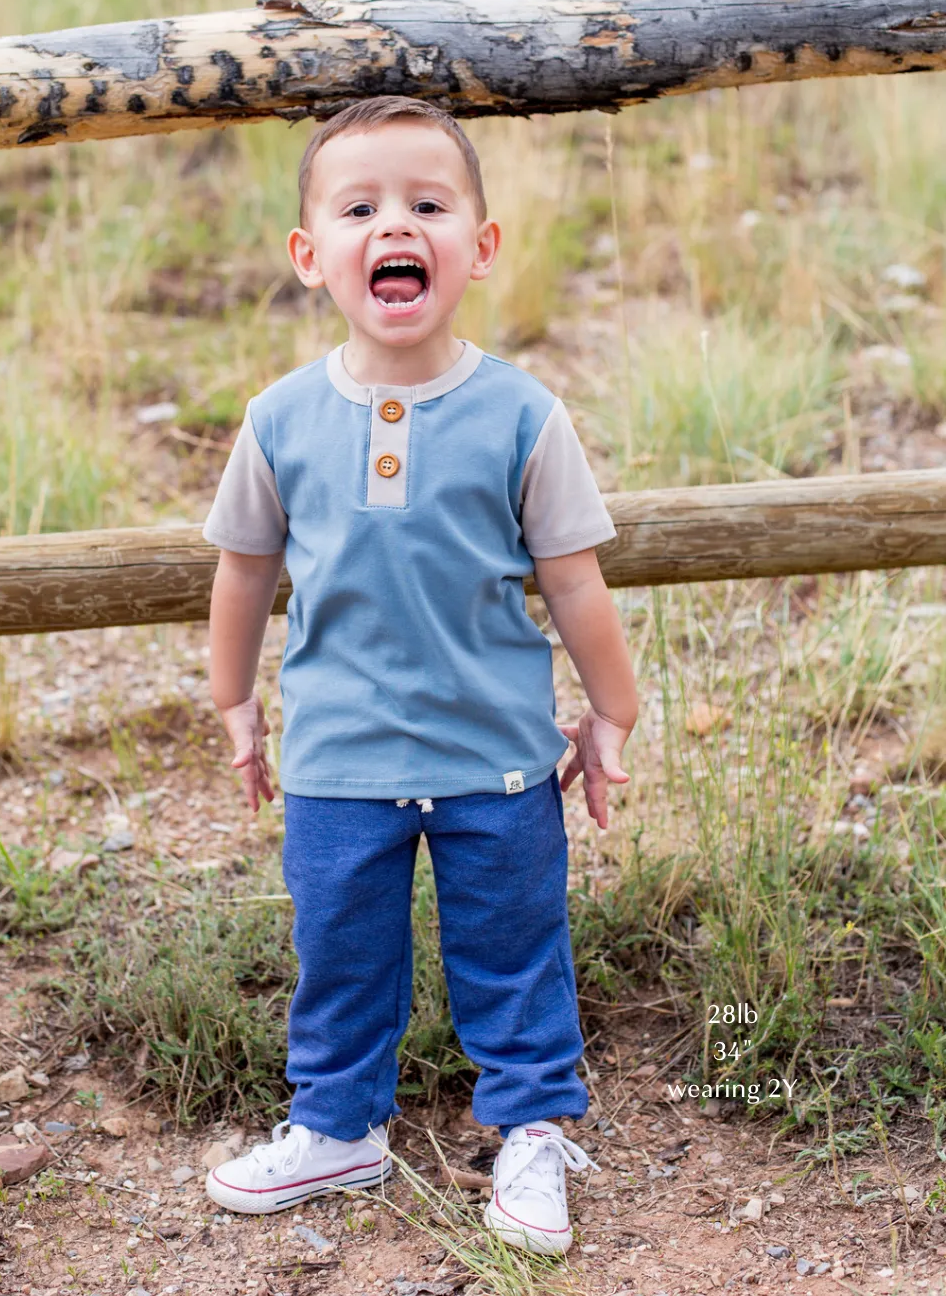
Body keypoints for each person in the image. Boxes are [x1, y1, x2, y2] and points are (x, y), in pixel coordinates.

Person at [200, 95, 638, 1255]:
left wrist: (613, 709)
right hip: (339, 756)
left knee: (514, 946)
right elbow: (243, 574)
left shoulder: (521, 416)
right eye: (361, 207)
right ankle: (337, 1123)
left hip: (496, 760)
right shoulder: (281, 420)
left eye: (428, 204)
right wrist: (235, 700)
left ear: (480, 248)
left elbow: (576, 581)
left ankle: (535, 1128)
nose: (396, 224)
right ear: (312, 258)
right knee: (340, 947)